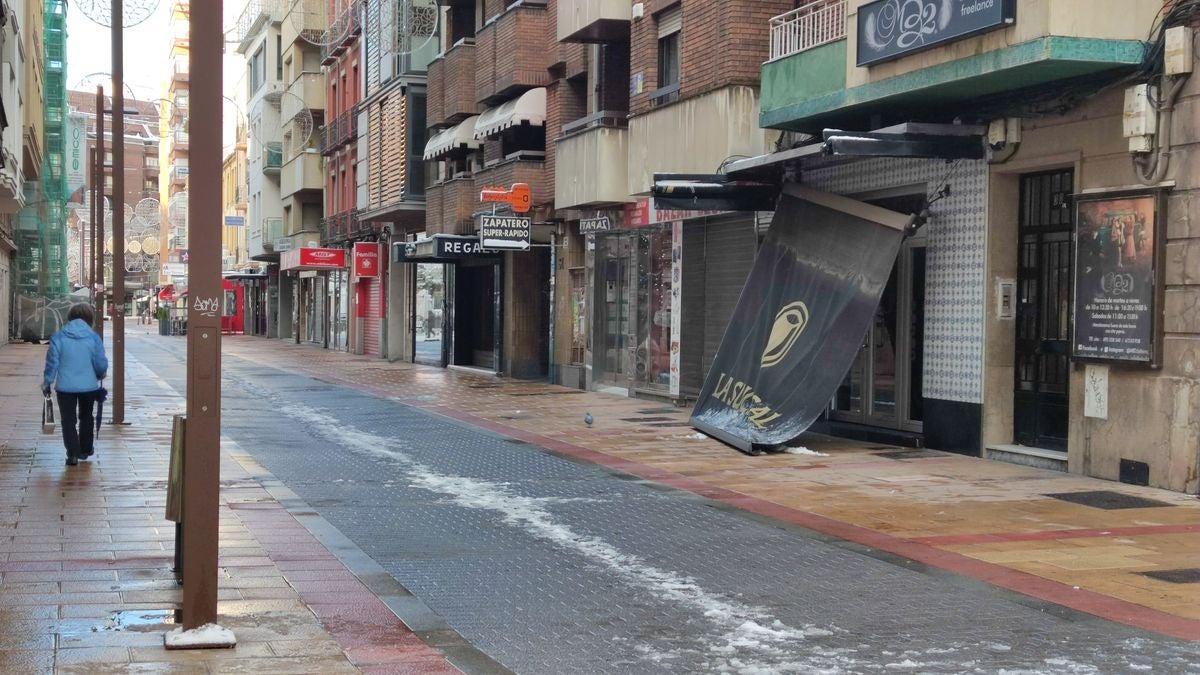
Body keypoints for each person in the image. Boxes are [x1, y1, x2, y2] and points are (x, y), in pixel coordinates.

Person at [42, 304, 108, 466]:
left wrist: (47, 382)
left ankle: (72, 453)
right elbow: (100, 362)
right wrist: (101, 373)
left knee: (68, 420)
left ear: (69, 318)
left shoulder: (58, 337)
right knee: (86, 417)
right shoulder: (93, 338)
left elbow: (52, 363)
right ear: (90, 319)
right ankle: (85, 449)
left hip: (65, 387)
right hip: (89, 387)